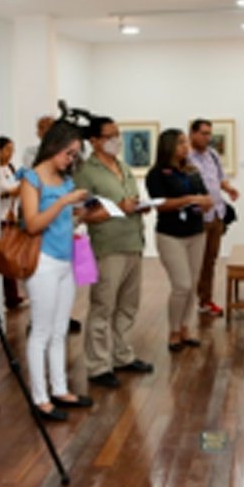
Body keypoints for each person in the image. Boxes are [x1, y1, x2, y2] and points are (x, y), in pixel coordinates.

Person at [19, 120, 95, 421]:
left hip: (66, 260)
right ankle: (40, 398)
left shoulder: (65, 180)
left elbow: (66, 219)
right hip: (43, 262)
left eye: (75, 154)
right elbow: (33, 223)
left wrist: (82, 210)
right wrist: (65, 201)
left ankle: (60, 388)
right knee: (41, 331)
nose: (71, 159)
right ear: (53, 147)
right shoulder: (31, 179)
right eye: (69, 153)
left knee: (60, 330)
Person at [74, 116, 155, 388]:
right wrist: (119, 207)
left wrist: (140, 206)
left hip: (133, 242)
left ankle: (122, 355)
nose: (116, 140)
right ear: (94, 141)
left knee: (128, 305)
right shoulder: (87, 172)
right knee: (103, 306)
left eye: (117, 135)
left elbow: (130, 199)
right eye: (109, 136)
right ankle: (97, 366)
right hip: (108, 247)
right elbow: (82, 213)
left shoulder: (123, 166)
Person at [146, 129, 213, 352]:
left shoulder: (192, 171)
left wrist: (204, 202)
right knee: (181, 285)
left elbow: (205, 196)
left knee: (192, 285)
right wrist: (189, 199)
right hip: (170, 234)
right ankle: (173, 330)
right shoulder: (156, 174)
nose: (185, 147)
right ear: (168, 147)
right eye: (180, 143)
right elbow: (160, 203)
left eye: (185, 142)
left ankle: (186, 327)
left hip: (196, 232)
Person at [188, 118, 240, 317]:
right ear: (192, 133)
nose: (207, 137)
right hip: (198, 217)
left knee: (210, 261)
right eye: (203, 133)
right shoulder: (186, 158)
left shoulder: (213, 155)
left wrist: (229, 189)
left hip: (216, 215)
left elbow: (220, 179)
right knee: (195, 262)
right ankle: (187, 302)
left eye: (209, 133)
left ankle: (205, 301)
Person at [0, 135, 23, 310]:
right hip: (0, 218)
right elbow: (2, 191)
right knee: (4, 257)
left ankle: (13, 296)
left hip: (11, 217)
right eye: (7, 149)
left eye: (12, 150)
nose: (10, 154)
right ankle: (8, 296)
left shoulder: (10, 168)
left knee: (11, 257)